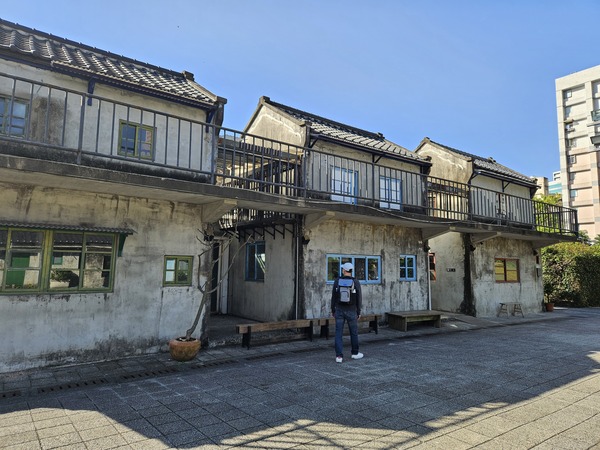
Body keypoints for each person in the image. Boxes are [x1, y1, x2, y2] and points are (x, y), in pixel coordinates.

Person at [331, 262, 363, 363]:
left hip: (339, 310)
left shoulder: (337, 281)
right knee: (353, 333)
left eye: (343, 269)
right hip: (352, 310)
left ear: (344, 270)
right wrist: (358, 311)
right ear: (351, 271)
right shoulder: (355, 281)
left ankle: (339, 356)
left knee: (338, 333)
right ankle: (355, 353)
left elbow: (333, 297)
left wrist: (333, 310)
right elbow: (359, 298)